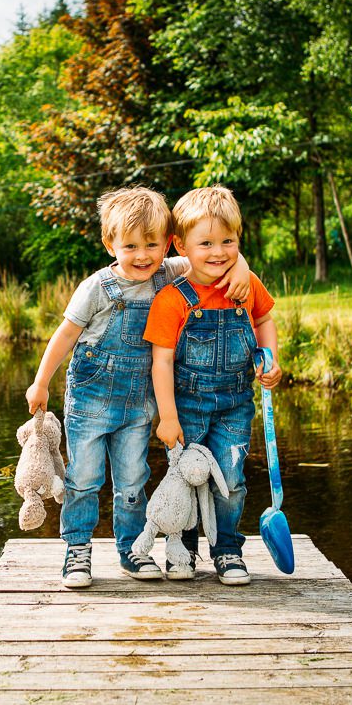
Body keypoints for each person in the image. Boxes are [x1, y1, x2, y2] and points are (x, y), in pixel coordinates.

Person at [25, 186, 251, 588]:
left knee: (131, 480)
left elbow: (215, 256)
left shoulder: (168, 271)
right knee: (84, 479)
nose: (143, 255)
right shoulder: (97, 287)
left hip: (138, 406)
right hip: (91, 401)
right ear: (109, 243)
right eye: (130, 246)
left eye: (152, 244)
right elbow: (65, 335)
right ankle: (77, 551)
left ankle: (131, 550)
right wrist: (41, 382)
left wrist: (240, 268)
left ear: (167, 243)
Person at [144, 186, 282, 586]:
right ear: (180, 245)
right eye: (205, 242)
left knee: (231, 478)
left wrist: (269, 358)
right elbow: (162, 361)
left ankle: (227, 551)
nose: (219, 251)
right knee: (184, 478)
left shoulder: (245, 284)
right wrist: (168, 417)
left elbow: (265, 321)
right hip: (186, 405)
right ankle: (182, 547)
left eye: (228, 241)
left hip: (235, 402)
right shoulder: (174, 299)